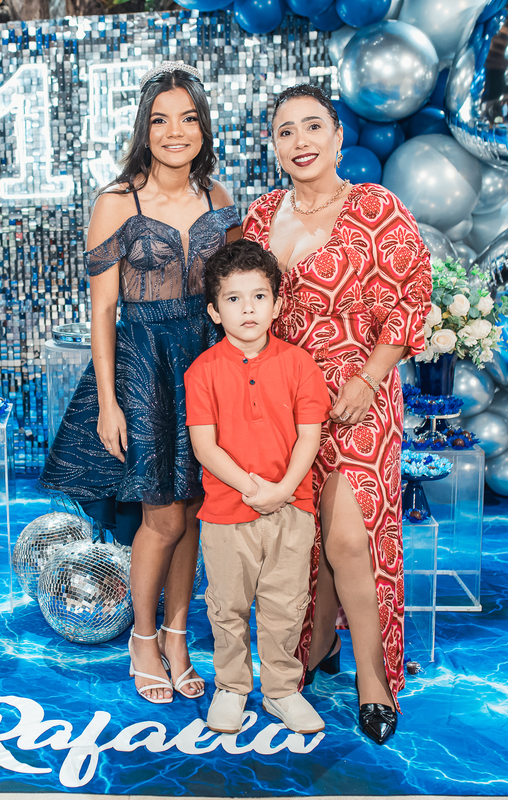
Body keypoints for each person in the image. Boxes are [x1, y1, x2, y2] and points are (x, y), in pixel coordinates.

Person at [40, 62, 242, 704]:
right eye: (161, 120)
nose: (175, 131)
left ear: (203, 129)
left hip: (205, 365)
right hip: (144, 365)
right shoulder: (116, 202)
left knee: (194, 510)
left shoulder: (219, 199)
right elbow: (103, 311)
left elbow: (234, 294)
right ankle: (144, 638)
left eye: (188, 119)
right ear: (143, 130)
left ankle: (179, 638)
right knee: (161, 516)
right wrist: (108, 402)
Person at [241, 83, 431, 744]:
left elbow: (412, 299)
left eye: (312, 126)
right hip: (286, 401)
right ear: (274, 146)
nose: (301, 141)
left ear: (338, 136)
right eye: (285, 131)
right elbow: (246, 308)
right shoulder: (261, 216)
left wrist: (370, 378)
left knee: (349, 535)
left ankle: (373, 678)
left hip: (358, 394)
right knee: (304, 537)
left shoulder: (377, 207)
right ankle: (318, 641)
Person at [185, 239, 331, 735]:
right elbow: (206, 448)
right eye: (233, 298)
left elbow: (309, 436)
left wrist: (283, 490)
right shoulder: (202, 372)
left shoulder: (300, 365)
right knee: (227, 605)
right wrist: (254, 489)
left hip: (292, 508)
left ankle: (282, 690)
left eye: (259, 296)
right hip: (227, 512)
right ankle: (231, 686)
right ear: (214, 311)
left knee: (285, 605)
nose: (248, 309)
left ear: (277, 304)